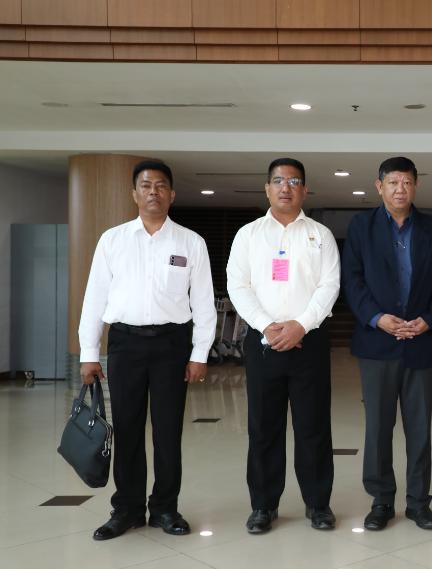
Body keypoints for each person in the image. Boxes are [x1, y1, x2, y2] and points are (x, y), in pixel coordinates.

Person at [78, 159, 216, 541]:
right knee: (127, 428)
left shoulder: (191, 242)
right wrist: (88, 352)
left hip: (173, 344)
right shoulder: (113, 240)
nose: (153, 191)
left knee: (168, 431)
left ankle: (165, 508)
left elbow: (204, 302)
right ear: (134, 194)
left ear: (172, 194)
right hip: (125, 343)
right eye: (145, 185)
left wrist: (199, 354)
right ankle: (127, 509)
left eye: (160, 185)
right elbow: (95, 298)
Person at [226, 158, 340, 534]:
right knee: (263, 428)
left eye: (293, 181)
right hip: (264, 343)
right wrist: (266, 325)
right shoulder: (249, 235)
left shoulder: (320, 235)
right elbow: (237, 285)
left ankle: (318, 504)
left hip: (310, 342)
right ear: (267, 189)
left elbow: (329, 285)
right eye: (278, 181)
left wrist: (301, 325)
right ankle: (263, 505)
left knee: (313, 427)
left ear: (304, 190)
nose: (285, 188)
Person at [342, 156, 432, 531]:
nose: (400, 189)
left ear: (415, 186)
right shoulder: (361, 227)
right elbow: (352, 280)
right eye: (392, 182)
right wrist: (377, 318)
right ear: (379, 187)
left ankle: (419, 502)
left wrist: (429, 320)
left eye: (406, 182)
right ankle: (381, 501)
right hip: (377, 343)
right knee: (378, 428)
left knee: (419, 429)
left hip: (420, 342)